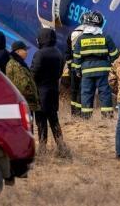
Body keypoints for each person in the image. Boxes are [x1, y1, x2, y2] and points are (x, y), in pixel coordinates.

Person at [31, 28, 70, 157]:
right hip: (53, 91)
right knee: (54, 120)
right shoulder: (59, 53)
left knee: (41, 121)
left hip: (41, 92)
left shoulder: (39, 54)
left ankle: (42, 148)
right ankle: (61, 146)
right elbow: (59, 73)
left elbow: (34, 73)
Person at [73, 11, 118, 119]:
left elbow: (77, 57)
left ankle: (86, 117)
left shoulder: (80, 39)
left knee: (86, 94)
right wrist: (114, 70)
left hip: (87, 71)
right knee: (105, 93)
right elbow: (114, 55)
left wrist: (78, 71)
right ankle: (107, 117)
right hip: (104, 70)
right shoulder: (106, 37)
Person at [5, 41, 40, 117]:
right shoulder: (16, 65)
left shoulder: (18, 63)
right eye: (24, 50)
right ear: (18, 51)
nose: (26, 52)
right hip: (24, 103)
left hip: (24, 102)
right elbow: (23, 86)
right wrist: (32, 96)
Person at [66, 27, 84, 118]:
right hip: (83, 67)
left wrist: (70, 67)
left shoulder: (72, 34)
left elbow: (67, 53)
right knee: (81, 91)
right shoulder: (87, 34)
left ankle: (73, 113)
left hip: (73, 67)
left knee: (74, 91)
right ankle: (79, 112)